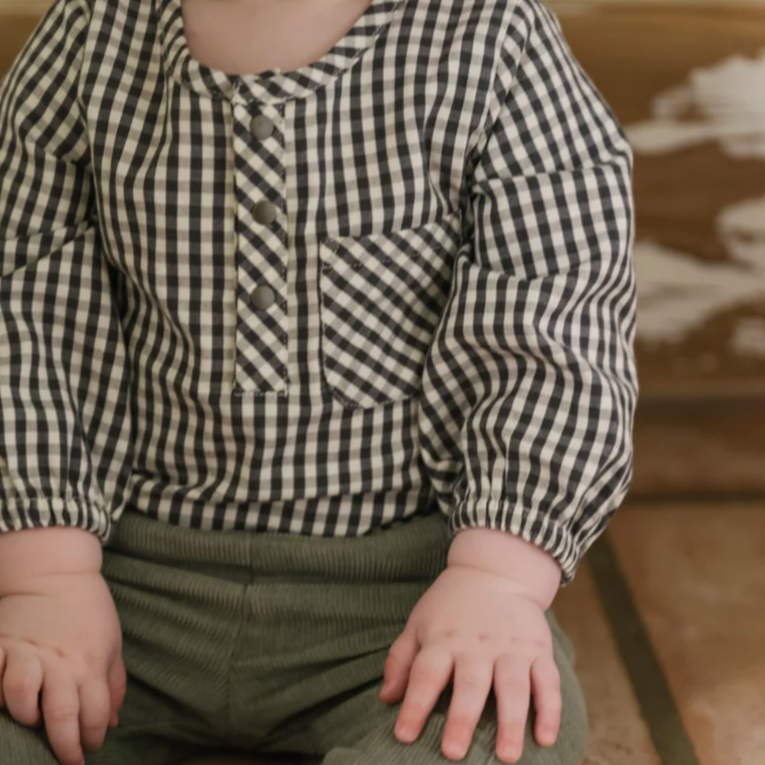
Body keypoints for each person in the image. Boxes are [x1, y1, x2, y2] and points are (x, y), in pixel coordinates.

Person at [0, 0, 637, 762]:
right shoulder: (89, 37)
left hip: (404, 593)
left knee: (503, 727)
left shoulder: (492, 42)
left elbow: (557, 314)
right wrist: (43, 573)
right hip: (119, 573)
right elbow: (24, 300)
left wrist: (497, 577)